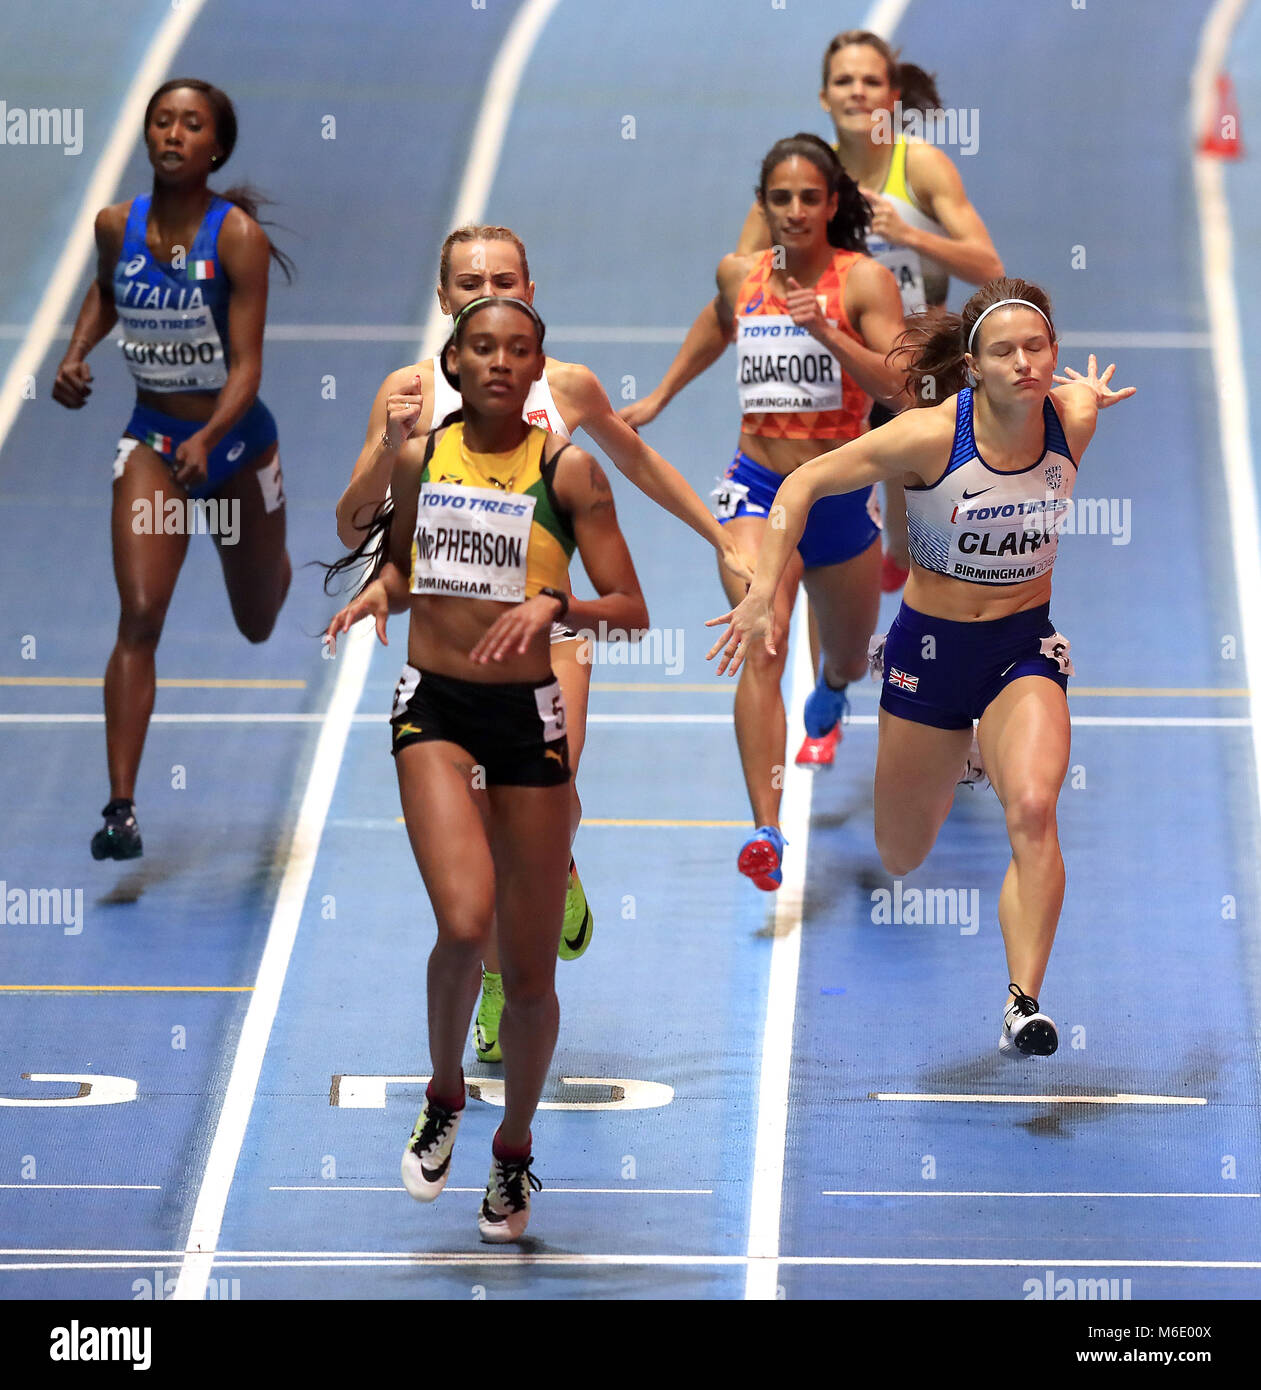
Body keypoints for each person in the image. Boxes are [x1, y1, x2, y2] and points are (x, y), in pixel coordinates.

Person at [338, 224, 752, 1058]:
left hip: (552, 639)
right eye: (465, 280)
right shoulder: (410, 391)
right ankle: (497, 981)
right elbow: (353, 520)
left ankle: (554, 864)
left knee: (537, 800)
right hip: (451, 648)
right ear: (443, 297)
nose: (483, 288)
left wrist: (720, 537)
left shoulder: (562, 384)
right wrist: (390, 445)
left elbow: (637, 464)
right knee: (485, 833)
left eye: (502, 276)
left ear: (531, 288)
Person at [707, 278, 1135, 1054]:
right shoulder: (929, 436)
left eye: (1036, 348)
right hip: (928, 657)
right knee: (901, 853)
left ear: (1054, 355)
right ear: (972, 367)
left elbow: (1077, 407)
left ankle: (1022, 1003)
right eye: (1003, 351)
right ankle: (963, 755)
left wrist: (1091, 398)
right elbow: (800, 484)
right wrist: (764, 592)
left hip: (1020, 649)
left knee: (1034, 810)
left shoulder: (1070, 419)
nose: (1023, 363)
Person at [324, 295, 649, 1240]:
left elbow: (628, 606)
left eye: (518, 350)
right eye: (481, 349)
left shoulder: (571, 472)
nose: (500, 363)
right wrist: (370, 602)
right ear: (453, 365)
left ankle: (514, 1154)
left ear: (536, 367)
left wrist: (559, 610)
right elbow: (397, 567)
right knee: (464, 921)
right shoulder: (419, 458)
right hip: (435, 705)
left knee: (533, 971)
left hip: (528, 719)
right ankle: (441, 1090)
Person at [613, 134, 904, 888]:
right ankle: (765, 831)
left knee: (842, 656)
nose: (795, 211)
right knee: (762, 641)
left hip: (838, 496)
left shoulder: (863, 282)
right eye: (780, 199)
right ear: (763, 206)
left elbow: (900, 386)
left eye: (810, 197)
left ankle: (834, 691)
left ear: (833, 203)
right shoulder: (740, 275)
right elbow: (718, 321)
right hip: (756, 493)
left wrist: (824, 331)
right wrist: (659, 396)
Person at [52, 78, 292, 861]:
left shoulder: (237, 240)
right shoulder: (114, 224)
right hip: (154, 444)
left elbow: (249, 368)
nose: (173, 134)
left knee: (257, 620)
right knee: (142, 612)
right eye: (162, 120)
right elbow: (105, 293)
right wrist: (76, 352)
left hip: (235, 447)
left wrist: (213, 436)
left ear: (215, 147)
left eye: (191, 125)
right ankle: (120, 808)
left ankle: (271, 554)